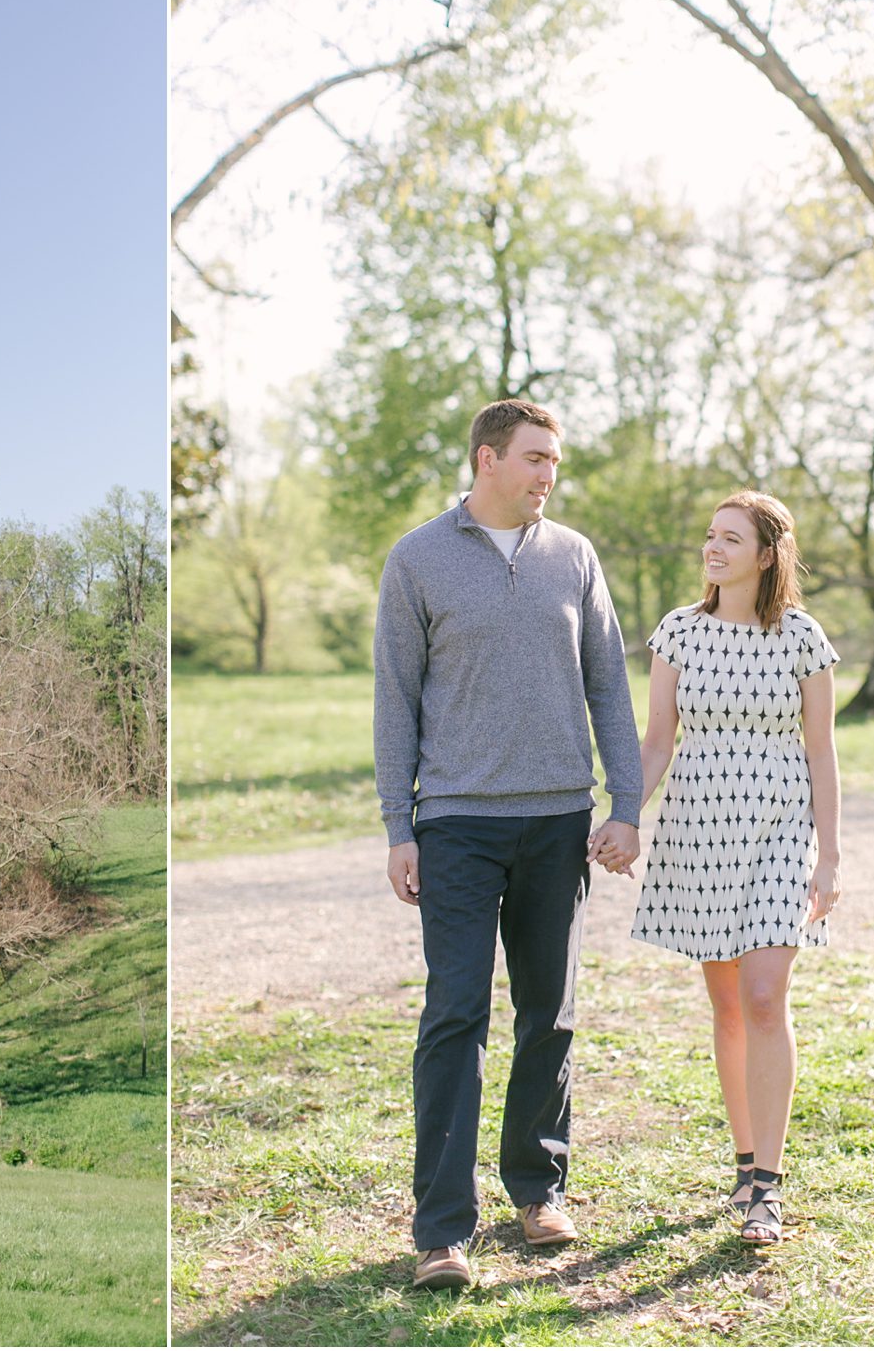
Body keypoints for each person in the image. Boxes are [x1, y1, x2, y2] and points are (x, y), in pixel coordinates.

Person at [374, 398, 643, 1289]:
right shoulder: (417, 559)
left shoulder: (575, 556)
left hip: (559, 820)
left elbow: (608, 684)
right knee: (456, 1012)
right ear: (488, 458)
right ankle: (442, 1231)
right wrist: (398, 825)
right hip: (455, 822)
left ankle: (538, 1190)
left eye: (554, 463)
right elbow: (394, 702)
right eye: (534, 459)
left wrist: (626, 803)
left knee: (548, 1013)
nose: (547, 476)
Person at [590, 490, 842, 1248]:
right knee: (729, 1006)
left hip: (778, 826)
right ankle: (742, 1159)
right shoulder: (679, 632)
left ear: (768, 555)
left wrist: (831, 857)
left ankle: (767, 1184)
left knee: (766, 997)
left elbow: (823, 750)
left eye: (731, 539)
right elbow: (658, 738)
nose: (714, 548)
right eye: (710, 536)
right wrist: (626, 814)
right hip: (700, 831)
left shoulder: (802, 637)